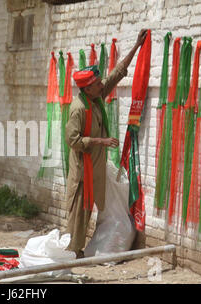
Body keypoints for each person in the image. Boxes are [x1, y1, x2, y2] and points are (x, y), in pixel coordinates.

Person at [64, 29, 148, 258]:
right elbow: (72, 140)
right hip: (83, 171)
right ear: (87, 88)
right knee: (79, 212)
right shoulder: (79, 108)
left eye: (101, 82)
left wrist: (136, 47)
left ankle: (77, 250)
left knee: (89, 209)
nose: (102, 85)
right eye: (97, 83)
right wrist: (100, 140)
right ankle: (74, 251)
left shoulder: (96, 97)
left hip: (96, 168)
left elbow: (117, 74)